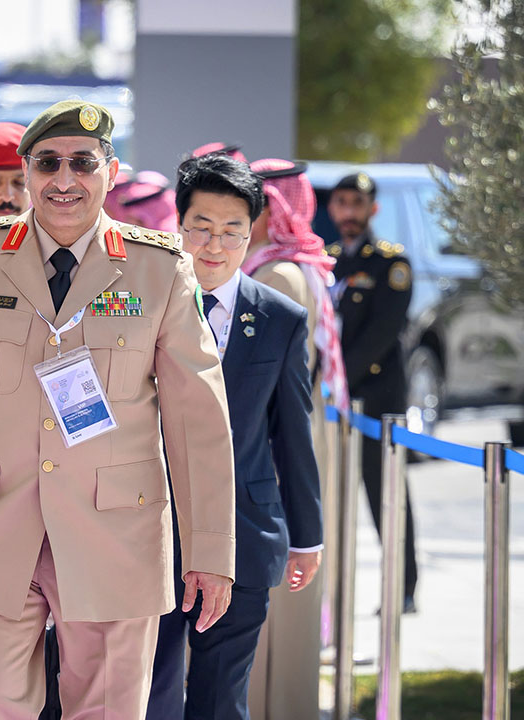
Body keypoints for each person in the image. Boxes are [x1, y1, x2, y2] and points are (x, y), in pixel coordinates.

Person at [0, 99, 236, 718]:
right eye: (48, 163)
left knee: (105, 709)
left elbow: (197, 421)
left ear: (112, 169)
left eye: (83, 162)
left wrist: (209, 551)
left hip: (115, 534)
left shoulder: (160, 268)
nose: (65, 180)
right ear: (27, 172)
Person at [146, 154, 322, 720]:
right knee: (152, 689)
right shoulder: (137, 305)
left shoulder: (280, 318)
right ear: (179, 225)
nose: (214, 246)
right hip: (150, 530)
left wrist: (307, 537)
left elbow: (292, 434)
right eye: (201, 228)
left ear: (253, 233)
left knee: (222, 698)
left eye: (232, 233)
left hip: (245, 533)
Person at [243, 158, 347, 720]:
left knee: (280, 582)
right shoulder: (300, 266)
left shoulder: (277, 276)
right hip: (303, 431)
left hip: (280, 439)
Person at [325, 171, 418, 611]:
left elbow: (383, 332)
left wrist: (337, 381)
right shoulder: (326, 260)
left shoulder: (390, 264)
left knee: (386, 494)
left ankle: (403, 587)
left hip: (376, 397)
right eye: (341, 203)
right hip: (334, 402)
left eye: (356, 204)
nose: (348, 212)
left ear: (372, 209)